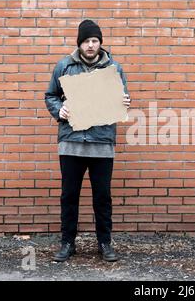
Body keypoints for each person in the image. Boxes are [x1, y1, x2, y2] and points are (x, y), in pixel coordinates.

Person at [45, 19, 130, 262]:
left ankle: (105, 242)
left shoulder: (113, 67)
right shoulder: (64, 66)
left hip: (101, 143)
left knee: (102, 196)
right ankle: (67, 243)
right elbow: (50, 95)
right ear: (80, 43)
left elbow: (122, 98)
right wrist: (58, 109)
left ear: (100, 43)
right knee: (69, 195)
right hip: (71, 142)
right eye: (86, 41)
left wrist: (125, 102)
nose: (91, 45)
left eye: (94, 41)